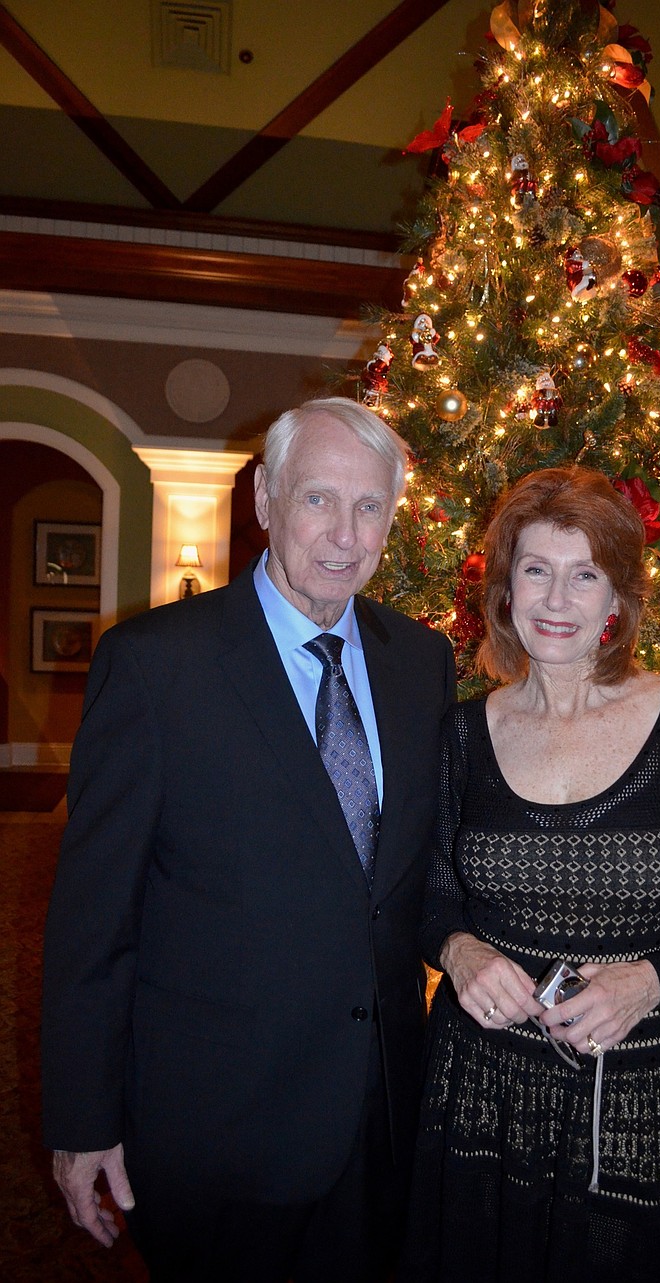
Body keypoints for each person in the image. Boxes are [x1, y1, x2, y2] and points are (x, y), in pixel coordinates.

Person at [41, 397, 456, 1282]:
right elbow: (91, 924)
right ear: (266, 497)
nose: (346, 534)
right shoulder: (157, 665)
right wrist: (82, 1122)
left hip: (380, 1123)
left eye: (370, 506)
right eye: (318, 499)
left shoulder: (421, 664)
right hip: (218, 1135)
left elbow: (416, 878)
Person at [400, 466, 660, 1283]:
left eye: (585, 573)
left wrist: (650, 980)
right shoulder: (463, 733)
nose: (557, 598)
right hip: (484, 1086)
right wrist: (458, 950)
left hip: (638, 1086)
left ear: (618, 599)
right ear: (506, 591)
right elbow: (431, 897)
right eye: (536, 569)